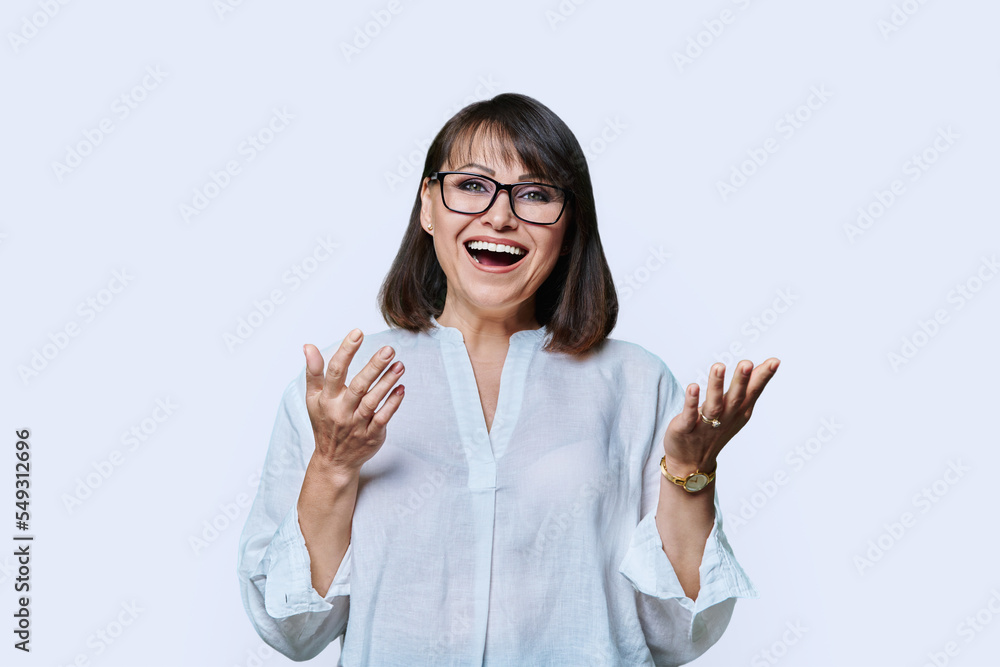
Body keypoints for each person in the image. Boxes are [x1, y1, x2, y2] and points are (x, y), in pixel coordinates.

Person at [237, 92, 779, 666]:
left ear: (568, 227)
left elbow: (679, 634)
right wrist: (332, 466)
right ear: (428, 206)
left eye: (536, 194)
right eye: (472, 185)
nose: (500, 216)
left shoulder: (637, 384)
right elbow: (292, 629)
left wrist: (692, 472)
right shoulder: (340, 391)